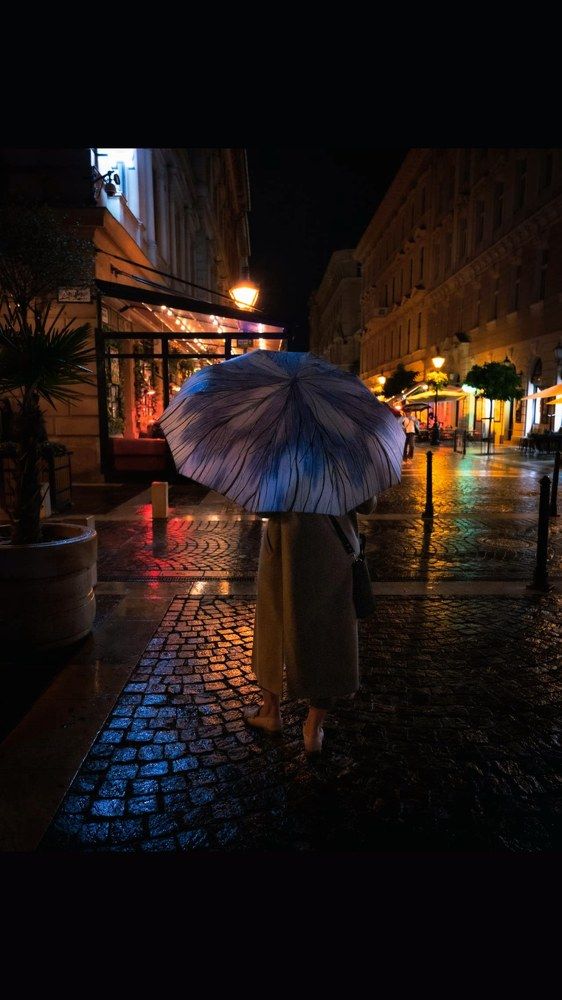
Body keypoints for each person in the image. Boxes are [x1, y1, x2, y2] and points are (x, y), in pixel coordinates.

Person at [245, 497, 376, 754]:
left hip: (285, 550)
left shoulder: (282, 455)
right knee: (330, 633)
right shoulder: (346, 456)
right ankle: (313, 730)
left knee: (274, 627)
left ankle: (271, 711)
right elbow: (367, 504)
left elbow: (263, 506)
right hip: (334, 554)